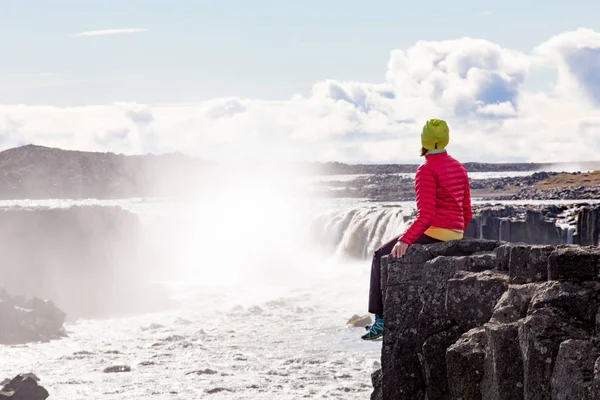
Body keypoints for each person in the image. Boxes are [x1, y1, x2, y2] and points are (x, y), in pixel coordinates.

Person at [361, 118, 472, 341]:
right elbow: (467, 210)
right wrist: (456, 234)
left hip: (435, 231)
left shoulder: (426, 169)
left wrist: (406, 240)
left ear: (424, 141)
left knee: (380, 254)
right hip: (455, 232)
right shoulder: (459, 167)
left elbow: (427, 214)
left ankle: (380, 319)